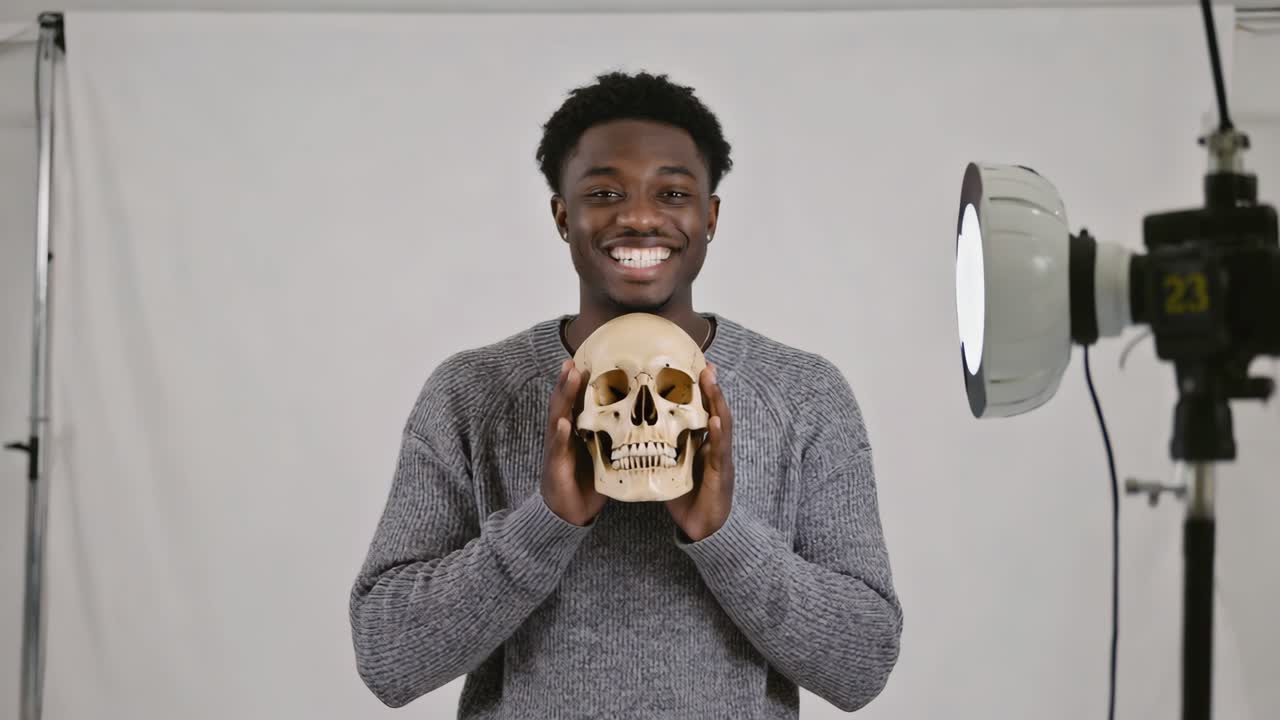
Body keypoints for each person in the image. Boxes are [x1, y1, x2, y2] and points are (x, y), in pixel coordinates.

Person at [348, 70, 902, 718]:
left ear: (710, 216)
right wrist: (544, 523)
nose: (639, 217)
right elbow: (387, 658)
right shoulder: (471, 393)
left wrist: (724, 535)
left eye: (672, 192)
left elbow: (862, 665)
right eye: (605, 192)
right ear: (563, 215)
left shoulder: (804, 395)